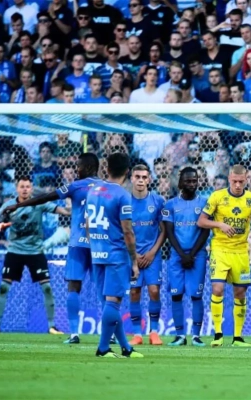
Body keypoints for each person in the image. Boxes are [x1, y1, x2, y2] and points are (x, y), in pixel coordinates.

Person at [2, 153, 101, 344]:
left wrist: (19, 205)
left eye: (78, 166)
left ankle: (74, 334)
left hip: (77, 244)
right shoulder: (107, 188)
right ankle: (111, 334)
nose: (76, 170)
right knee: (104, 288)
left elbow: (45, 197)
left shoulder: (75, 186)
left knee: (74, 286)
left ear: (87, 168)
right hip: (100, 244)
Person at [0, 176, 71, 334]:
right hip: (15, 251)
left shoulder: (39, 203)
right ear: (17, 189)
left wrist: (69, 199)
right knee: (4, 287)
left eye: (28, 187)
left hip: (35, 251)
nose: (25, 189)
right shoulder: (9, 206)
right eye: (22, 187)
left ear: (31, 189)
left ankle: (52, 326)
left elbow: (66, 212)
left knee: (47, 288)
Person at [197, 165, 251, 347]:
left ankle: (238, 337)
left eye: (241, 181)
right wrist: (220, 225)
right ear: (229, 179)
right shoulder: (217, 197)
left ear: (246, 180)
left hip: (241, 251)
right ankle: (218, 334)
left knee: (240, 293)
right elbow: (201, 221)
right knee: (217, 289)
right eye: (234, 181)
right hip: (220, 249)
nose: (238, 185)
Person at [86, 153, 142, 358]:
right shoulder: (122, 195)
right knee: (113, 302)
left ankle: (126, 348)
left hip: (97, 253)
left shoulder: (93, 191)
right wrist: (134, 261)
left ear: (106, 168)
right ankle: (103, 349)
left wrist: (95, 247)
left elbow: (87, 224)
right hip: (116, 255)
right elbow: (128, 231)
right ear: (127, 171)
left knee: (109, 303)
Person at [162, 167, 210, 346]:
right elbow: (169, 232)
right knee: (176, 295)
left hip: (198, 255)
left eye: (194, 181)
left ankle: (196, 336)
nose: (192, 184)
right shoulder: (170, 204)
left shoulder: (205, 203)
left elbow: (205, 231)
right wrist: (182, 254)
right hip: (177, 256)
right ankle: (180, 336)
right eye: (188, 181)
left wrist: (192, 254)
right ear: (180, 183)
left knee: (196, 295)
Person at [128, 165, 166, 346]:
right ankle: (137, 334)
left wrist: (152, 252)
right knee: (134, 292)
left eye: (144, 177)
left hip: (153, 255)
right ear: (132, 178)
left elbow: (164, 230)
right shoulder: (125, 201)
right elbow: (122, 231)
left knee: (154, 291)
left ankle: (154, 332)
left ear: (149, 179)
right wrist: (133, 254)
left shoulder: (158, 201)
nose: (141, 180)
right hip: (132, 255)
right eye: (137, 177)